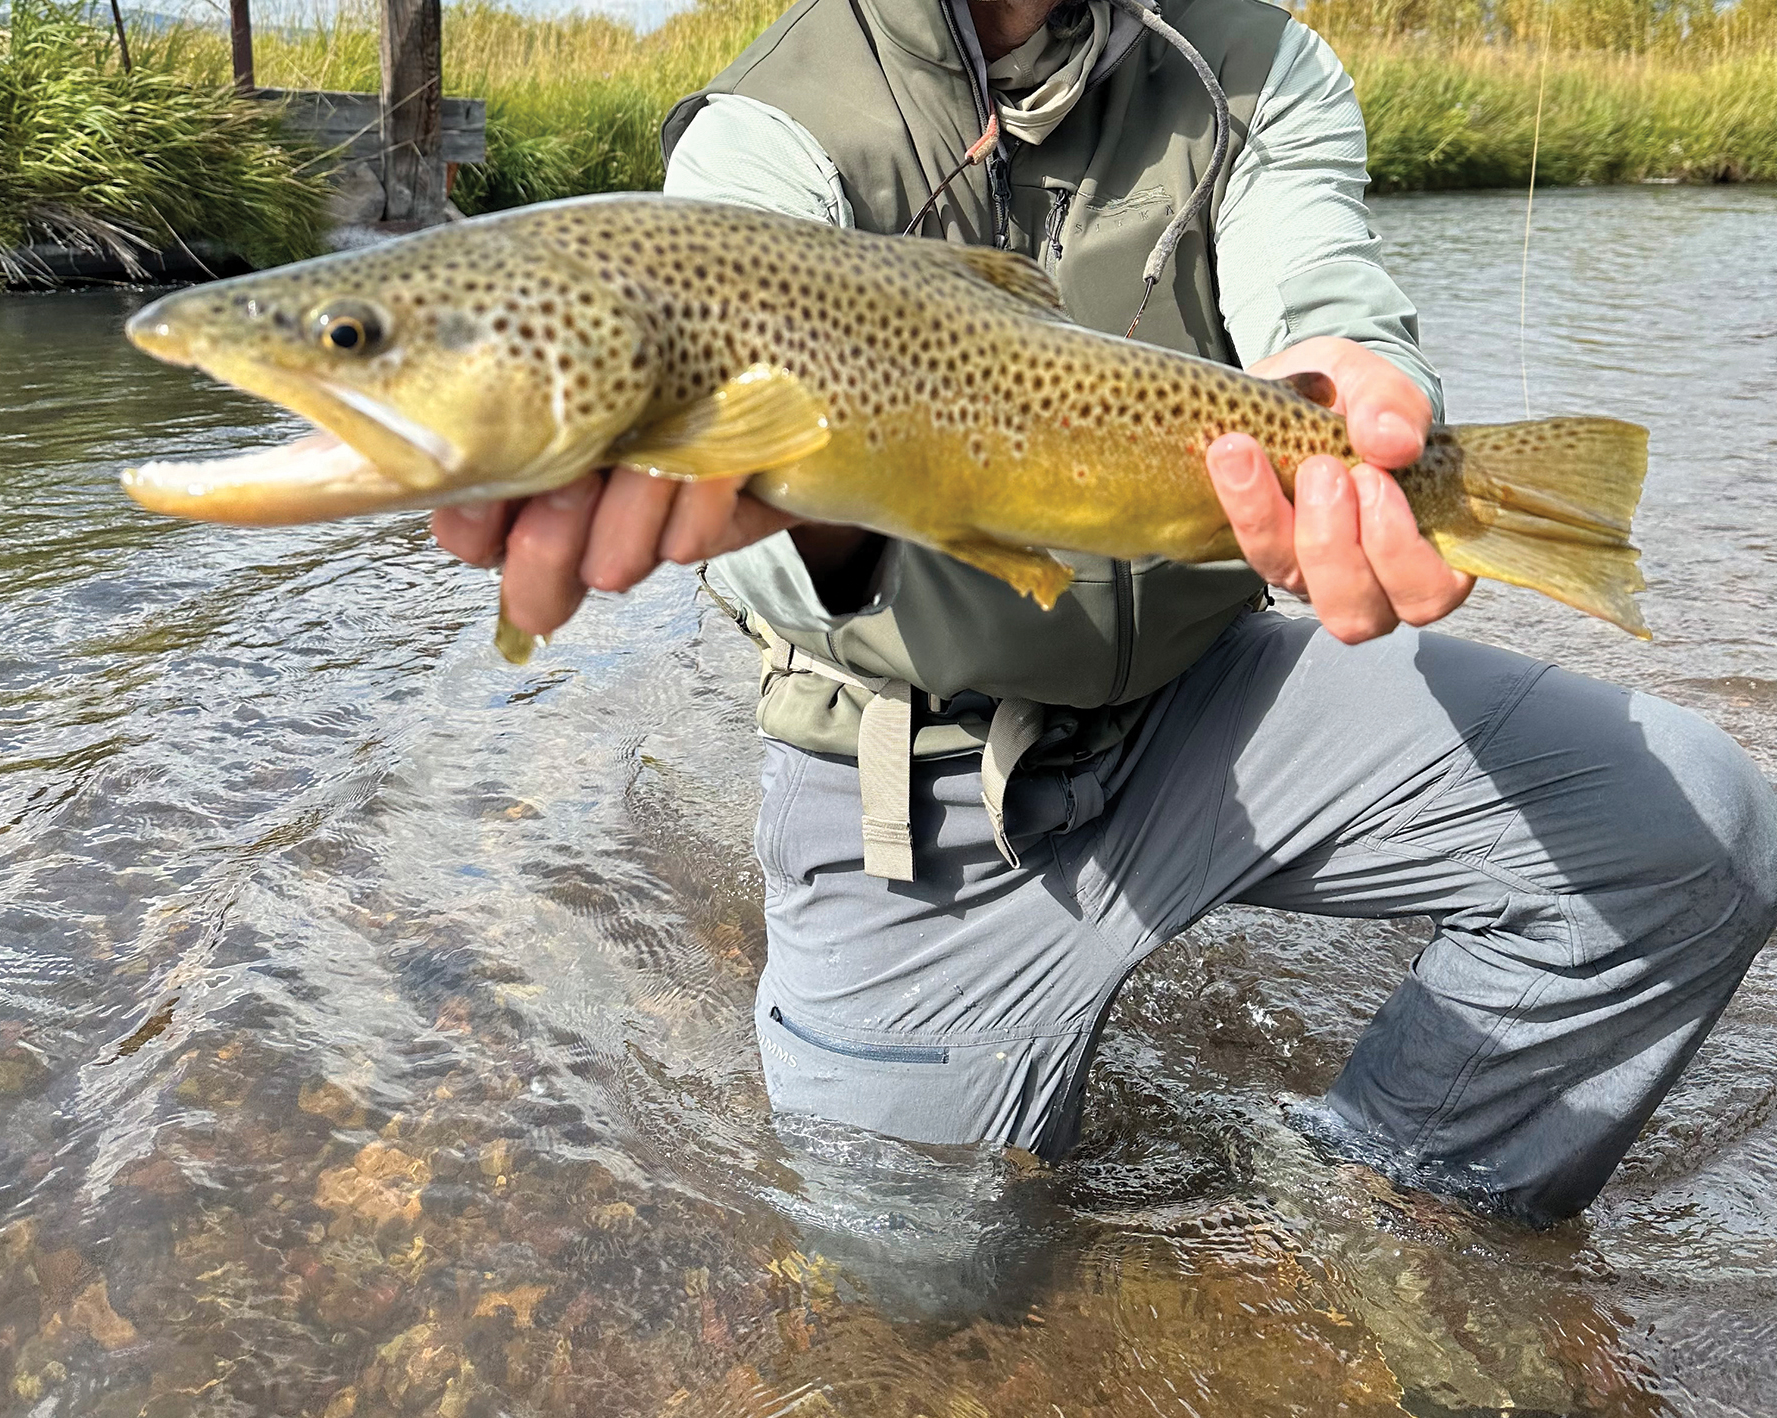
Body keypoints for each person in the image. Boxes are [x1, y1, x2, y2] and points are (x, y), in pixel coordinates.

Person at [432, 0, 1777, 1226]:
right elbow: (765, 565)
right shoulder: (764, 138)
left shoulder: (1260, 65)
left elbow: (1318, 288)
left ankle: (1385, 1213)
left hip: (1212, 696)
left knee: (1696, 836)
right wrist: (817, 509)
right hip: (911, 779)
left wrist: (1356, 387)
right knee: (916, 1280)